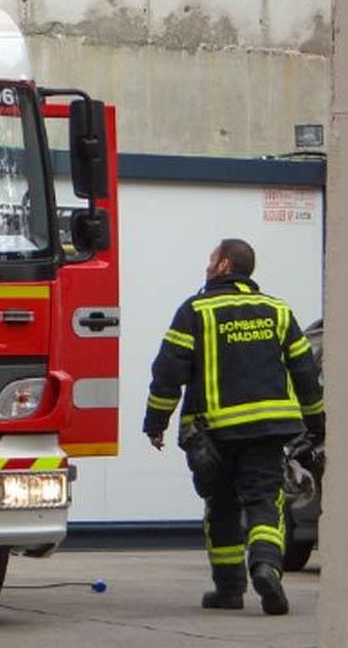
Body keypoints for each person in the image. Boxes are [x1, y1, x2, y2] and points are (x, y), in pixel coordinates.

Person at [144, 238, 324, 616]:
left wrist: (155, 422)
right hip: (267, 432)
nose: (207, 266)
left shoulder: (195, 311)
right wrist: (316, 422)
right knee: (264, 500)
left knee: (221, 505)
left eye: (211, 259)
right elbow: (305, 370)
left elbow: (167, 371)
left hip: (214, 432)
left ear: (225, 265)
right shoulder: (277, 311)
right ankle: (265, 567)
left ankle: (228, 590)